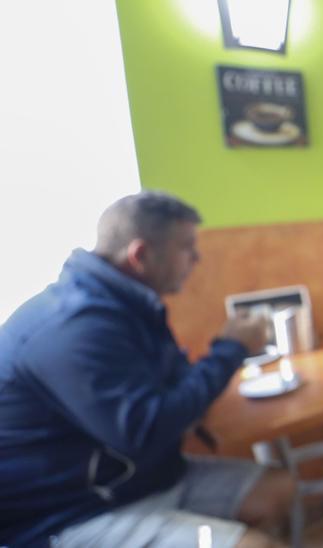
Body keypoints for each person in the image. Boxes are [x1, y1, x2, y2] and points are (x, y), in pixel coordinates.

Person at [0, 192, 294, 548]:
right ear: (140, 254)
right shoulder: (73, 327)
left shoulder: (130, 306)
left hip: (146, 478)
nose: (197, 258)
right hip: (73, 512)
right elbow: (146, 433)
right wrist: (232, 349)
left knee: (279, 489)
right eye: (187, 247)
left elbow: (172, 382)